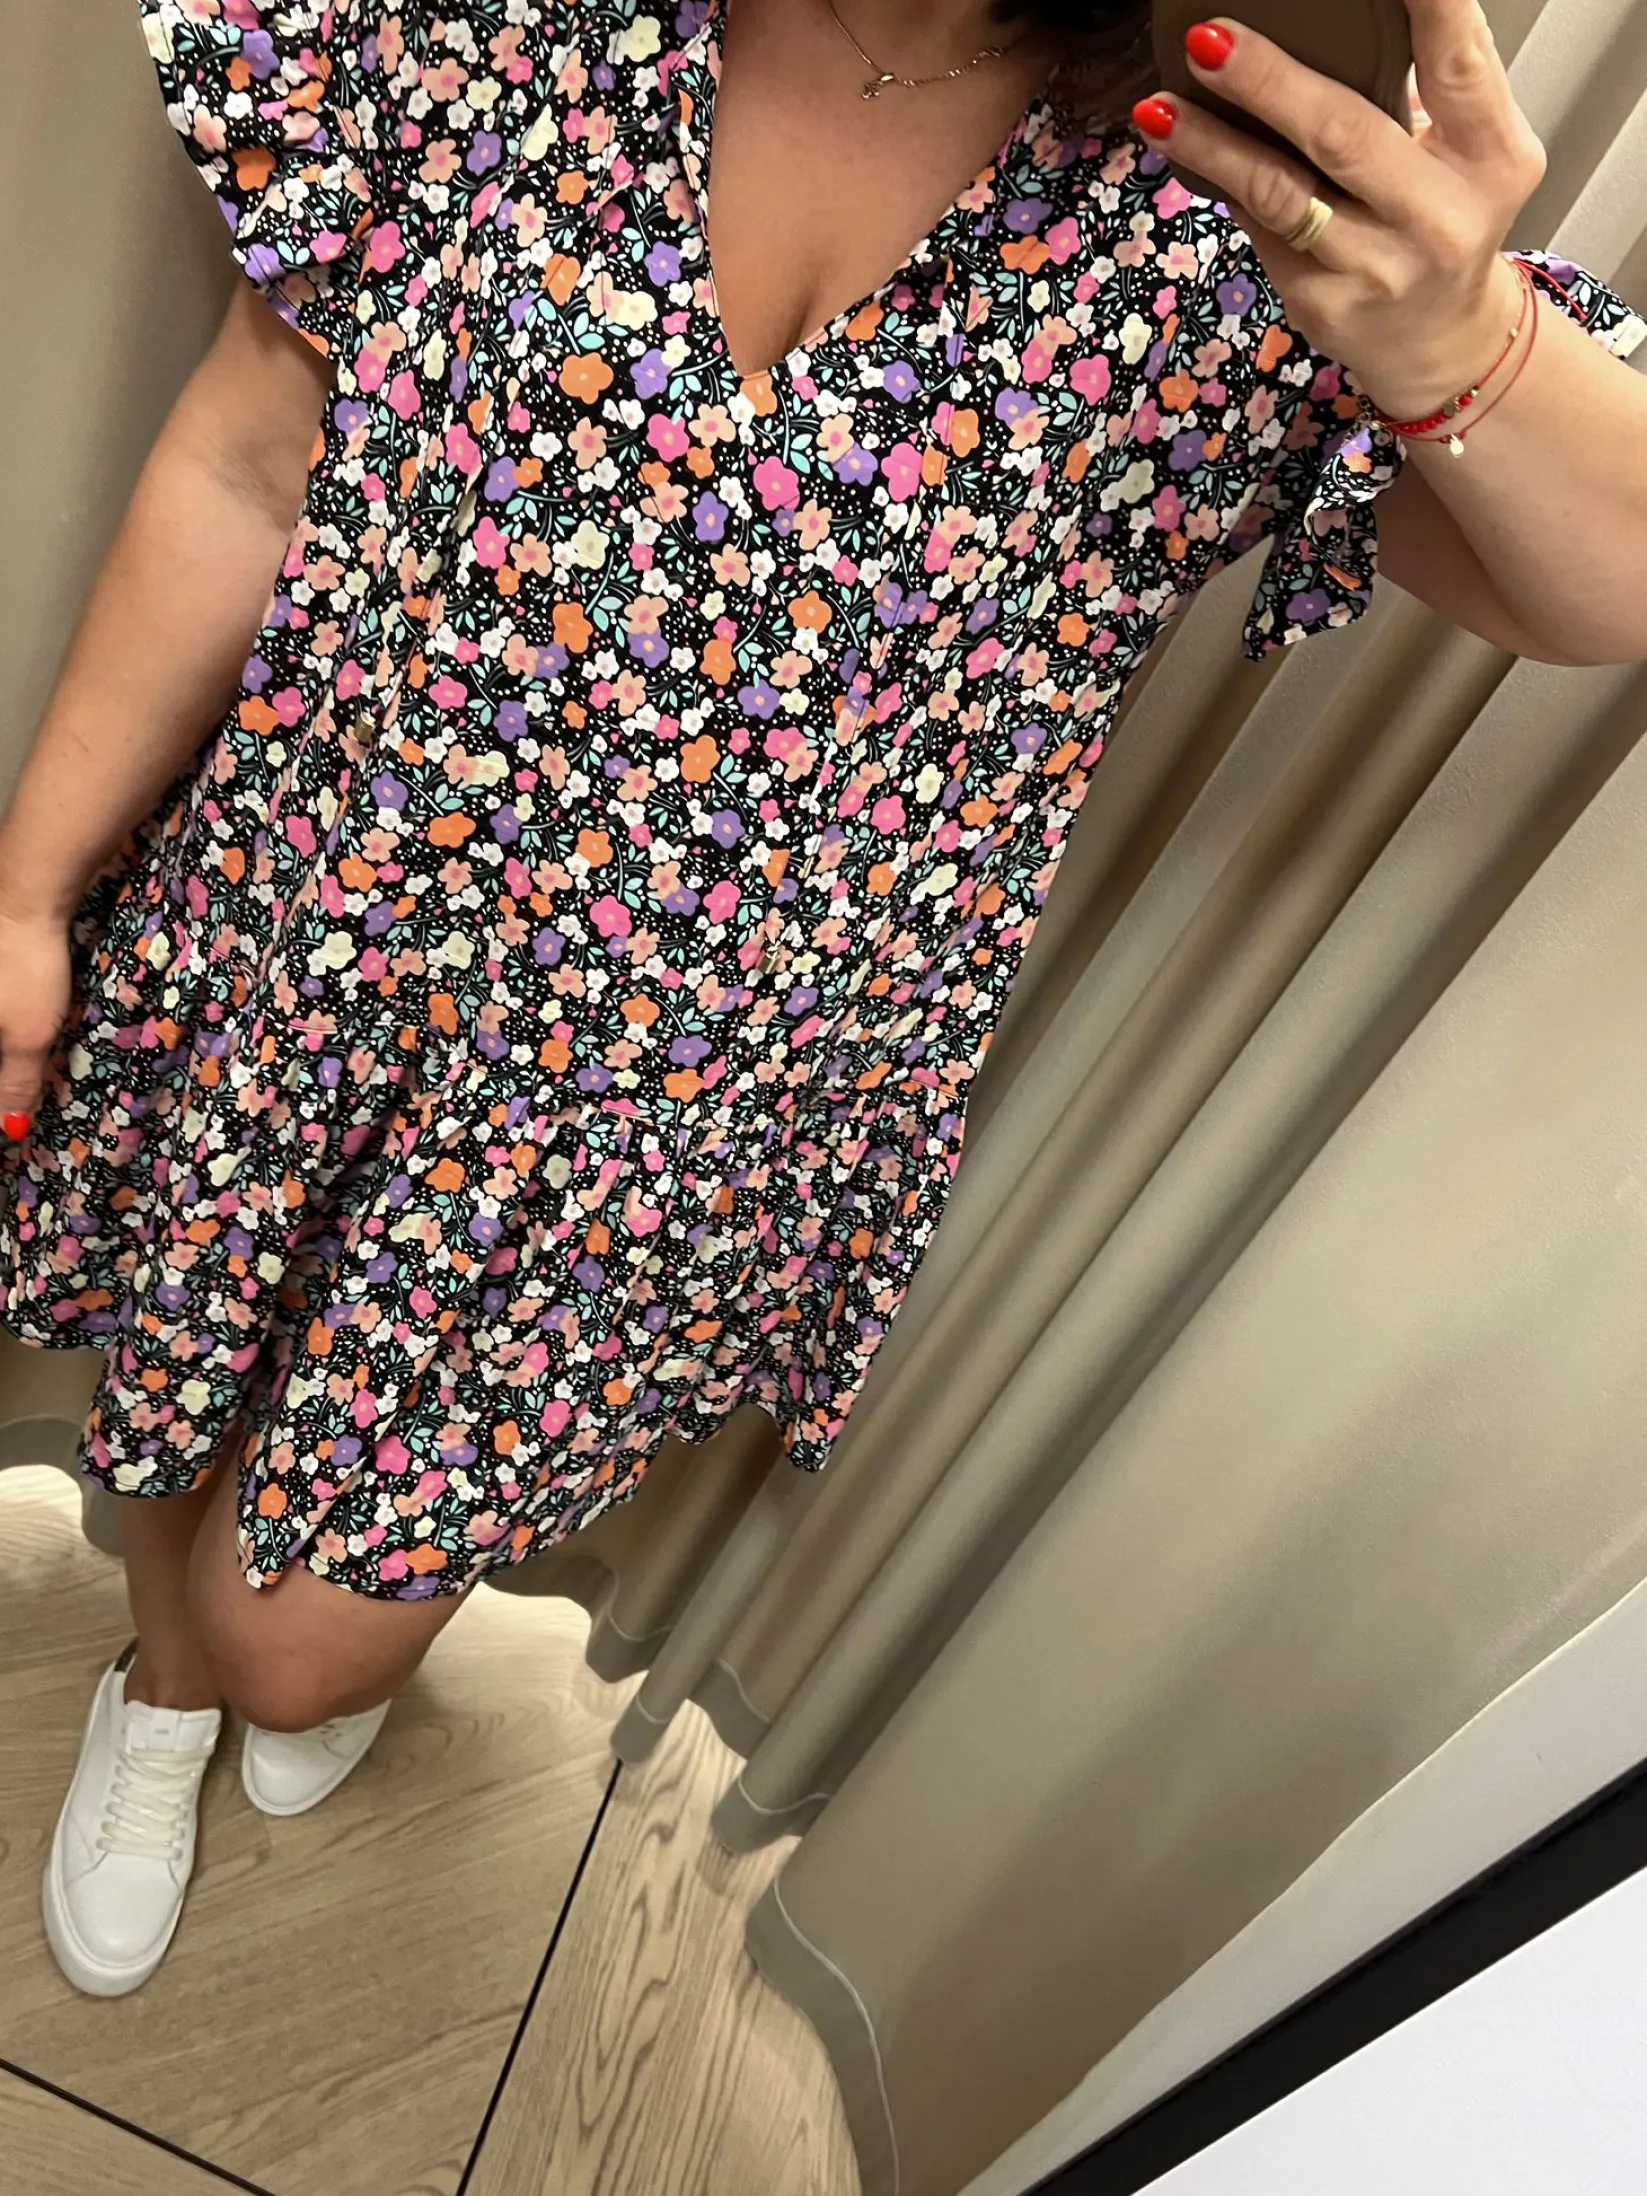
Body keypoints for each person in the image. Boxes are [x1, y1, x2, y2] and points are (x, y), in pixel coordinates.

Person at [2, 0, 1643, 1998]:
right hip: (300, 945)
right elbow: (254, 456)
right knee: (195, 1368)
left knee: (308, 1640)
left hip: (662, 1122)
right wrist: (31, 891)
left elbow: (1604, 583)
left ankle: (252, 1661)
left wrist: (1455, 339)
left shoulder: (1246, 186)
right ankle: (162, 1686)